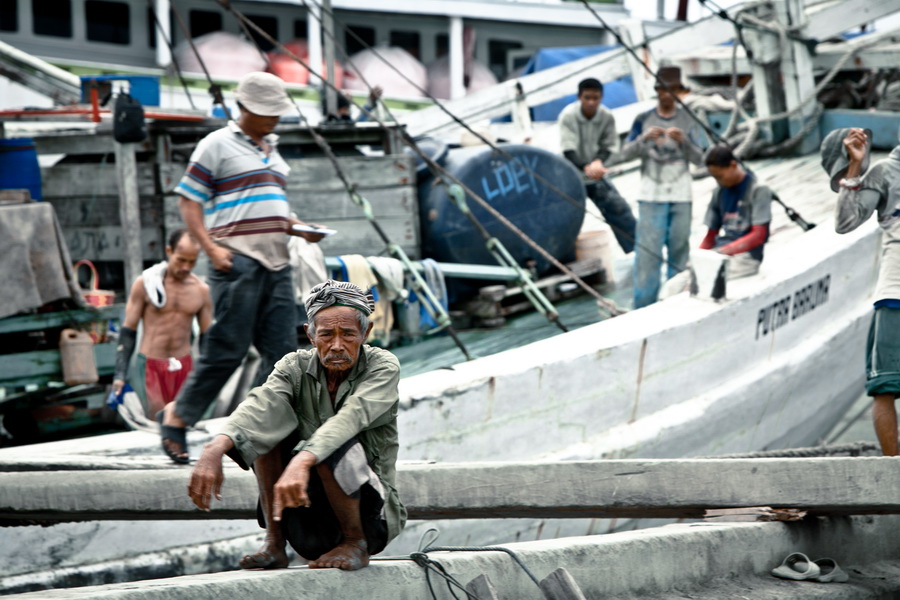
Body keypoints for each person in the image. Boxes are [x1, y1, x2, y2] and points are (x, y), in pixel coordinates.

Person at [161, 71, 325, 464]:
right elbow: (189, 201)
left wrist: (299, 229)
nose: (274, 119)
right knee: (227, 349)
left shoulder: (271, 147)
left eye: (276, 113)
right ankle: (177, 418)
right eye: (266, 112)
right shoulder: (216, 144)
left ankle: (253, 428)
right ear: (244, 108)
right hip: (236, 260)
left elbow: (271, 205)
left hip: (277, 260)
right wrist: (210, 251)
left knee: (282, 353)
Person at [188, 280, 406, 571]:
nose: (337, 345)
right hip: (307, 517)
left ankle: (355, 543)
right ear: (311, 335)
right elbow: (261, 405)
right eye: (327, 335)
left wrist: (303, 459)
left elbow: (352, 416)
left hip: (370, 519)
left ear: (365, 333)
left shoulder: (382, 366)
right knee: (268, 430)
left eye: (348, 334)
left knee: (332, 443)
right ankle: (274, 543)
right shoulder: (294, 366)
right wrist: (215, 448)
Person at [828, 127, 900, 455]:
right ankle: (892, 477)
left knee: (884, 388)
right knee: (884, 388)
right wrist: (854, 169)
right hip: (894, 294)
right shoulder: (886, 172)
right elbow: (845, 223)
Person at [612, 65, 705, 308]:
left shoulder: (688, 119)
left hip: (681, 195)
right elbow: (622, 155)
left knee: (679, 250)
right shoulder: (643, 120)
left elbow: (701, 159)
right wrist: (643, 140)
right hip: (650, 196)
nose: (667, 94)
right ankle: (643, 306)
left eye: (673, 90)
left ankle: (677, 303)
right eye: (663, 89)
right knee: (647, 254)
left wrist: (684, 142)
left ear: (679, 92)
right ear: (656, 91)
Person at [113, 229, 212, 419]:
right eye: (181, 260)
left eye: (191, 262)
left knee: (183, 422)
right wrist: (119, 375)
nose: (186, 267)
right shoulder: (146, 284)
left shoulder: (201, 290)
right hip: (151, 365)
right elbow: (128, 330)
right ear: (169, 251)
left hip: (184, 365)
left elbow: (206, 338)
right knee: (155, 421)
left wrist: (204, 378)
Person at [559, 77, 637, 253]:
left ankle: (635, 251)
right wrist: (587, 166)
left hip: (596, 173)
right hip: (572, 176)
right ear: (579, 97)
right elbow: (568, 151)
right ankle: (565, 255)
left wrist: (597, 162)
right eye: (587, 98)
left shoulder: (606, 116)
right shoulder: (568, 116)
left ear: (601, 97)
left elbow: (609, 145)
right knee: (566, 220)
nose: (591, 102)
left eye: (595, 98)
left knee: (619, 209)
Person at [698, 145, 773, 279]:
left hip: (746, 258)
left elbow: (759, 235)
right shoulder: (719, 192)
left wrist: (722, 253)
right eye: (715, 178)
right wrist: (697, 258)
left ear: (733, 165)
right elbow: (710, 236)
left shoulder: (759, 189)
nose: (718, 181)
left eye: (720, 176)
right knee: (674, 286)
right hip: (719, 254)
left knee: (705, 279)